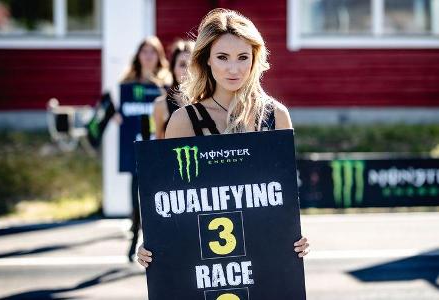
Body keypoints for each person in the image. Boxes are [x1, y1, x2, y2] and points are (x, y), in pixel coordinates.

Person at [137, 9, 309, 267]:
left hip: (265, 258)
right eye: (222, 57)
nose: (233, 68)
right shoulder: (184, 121)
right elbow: (170, 199)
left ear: (254, 59)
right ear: (206, 59)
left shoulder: (276, 116)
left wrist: (296, 236)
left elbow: (283, 196)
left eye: (242, 57)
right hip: (204, 259)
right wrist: (154, 241)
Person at [124, 36, 171, 262]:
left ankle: (155, 241)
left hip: (157, 149)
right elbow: (118, 109)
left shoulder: (167, 83)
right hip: (136, 149)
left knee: (155, 198)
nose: (148, 55)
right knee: (135, 198)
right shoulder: (128, 83)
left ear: (159, 56)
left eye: (153, 51)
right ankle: (133, 239)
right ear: (138, 55)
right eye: (144, 51)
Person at [153, 39, 195, 139]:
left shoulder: (210, 101)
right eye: (182, 65)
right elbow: (158, 143)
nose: (187, 71)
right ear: (173, 68)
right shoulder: (160, 105)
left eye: (192, 65)